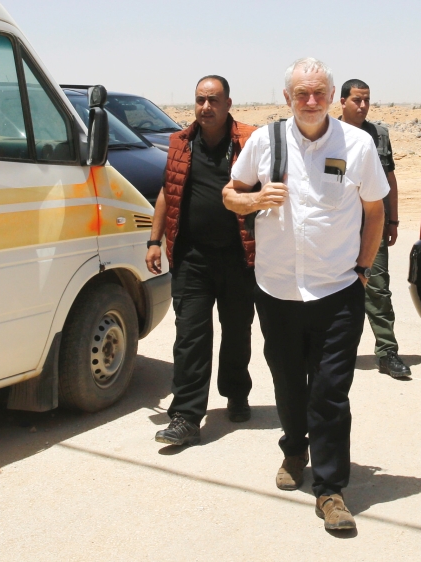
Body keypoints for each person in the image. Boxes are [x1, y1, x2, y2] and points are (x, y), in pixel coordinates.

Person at [223, 58, 389, 531]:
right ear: (288, 98)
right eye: (302, 94)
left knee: (331, 391)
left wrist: (361, 268)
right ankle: (295, 448)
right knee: (288, 380)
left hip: (337, 290)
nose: (311, 102)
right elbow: (230, 194)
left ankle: (331, 489)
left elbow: (374, 211)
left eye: (319, 93)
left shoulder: (356, 145)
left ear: (332, 95)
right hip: (276, 289)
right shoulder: (265, 141)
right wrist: (253, 200)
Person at [145, 75, 257, 447]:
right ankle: (186, 415)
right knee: (190, 335)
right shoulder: (180, 143)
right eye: (200, 100)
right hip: (192, 258)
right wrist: (153, 241)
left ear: (228, 104)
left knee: (237, 330)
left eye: (213, 100)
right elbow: (167, 191)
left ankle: (236, 393)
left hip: (239, 257)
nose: (206, 107)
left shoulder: (249, 141)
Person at [338, 78, 411, 379]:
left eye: (367, 100)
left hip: (373, 225)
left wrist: (392, 220)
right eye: (357, 100)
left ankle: (387, 352)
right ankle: (339, 352)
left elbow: (389, 179)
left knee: (377, 289)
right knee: (336, 291)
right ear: (342, 101)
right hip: (339, 227)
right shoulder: (330, 136)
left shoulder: (379, 135)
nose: (363, 106)